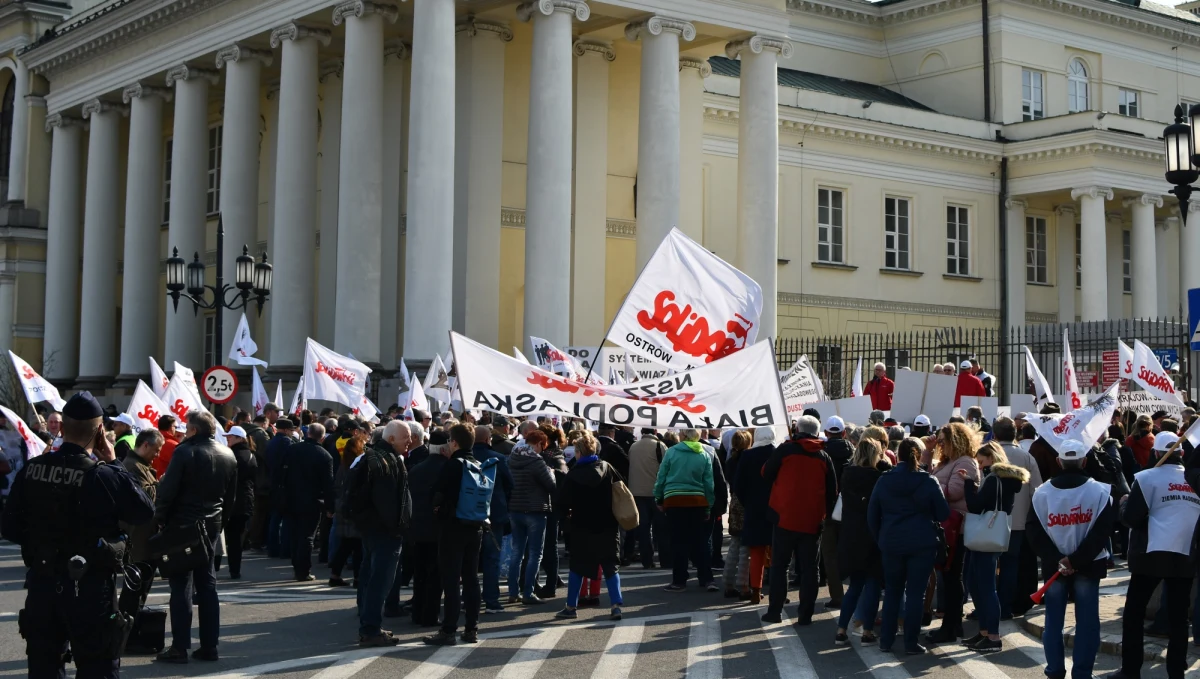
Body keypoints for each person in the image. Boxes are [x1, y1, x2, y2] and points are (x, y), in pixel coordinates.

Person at [1, 392, 155, 679]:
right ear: (100, 432)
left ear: (62, 427)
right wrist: (114, 463)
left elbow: (9, 527)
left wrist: (44, 540)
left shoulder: (33, 469)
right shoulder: (105, 475)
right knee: (98, 667)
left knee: (44, 667)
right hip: (91, 587)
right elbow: (144, 512)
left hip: (43, 583)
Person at [1108, 432, 1199, 679]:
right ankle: (1175, 671)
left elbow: (1131, 518)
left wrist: (1125, 502)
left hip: (1150, 555)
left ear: (1156, 453)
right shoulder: (1194, 479)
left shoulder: (1146, 478)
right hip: (1184, 556)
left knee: (1134, 616)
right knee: (1179, 619)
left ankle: (1130, 670)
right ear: (1181, 453)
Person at [154, 410, 237, 663]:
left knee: (181, 586)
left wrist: (160, 520)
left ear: (192, 430)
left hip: (184, 524)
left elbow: (168, 492)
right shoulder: (228, 453)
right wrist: (221, 523)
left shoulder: (185, 451)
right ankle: (209, 646)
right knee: (207, 584)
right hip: (212, 523)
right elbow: (230, 498)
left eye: (187, 427)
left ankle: (180, 647)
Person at [1027, 439, 1115, 679]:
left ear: (1059, 462)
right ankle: (1082, 673)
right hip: (1088, 565)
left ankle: (1055, 670)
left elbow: (1034, 533)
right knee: (1087, 622)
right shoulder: (1100, 490)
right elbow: (1102, 532)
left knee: (1053, 621)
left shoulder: (1041, 493)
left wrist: (1059, 560)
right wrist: (1075, 561)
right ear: (1085, 461)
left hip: (1055, 568)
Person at [870, 437, 950, 655]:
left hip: (892, 542)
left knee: (893, 593)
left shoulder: (885, 480)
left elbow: (872, 515)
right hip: (921, 543)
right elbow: (943, 513)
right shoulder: (927, 481)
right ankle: (911, 642)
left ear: (899, 455)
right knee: (916, 594)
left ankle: (886, 641)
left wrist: (882, 539)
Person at [761, 415, 837, 625]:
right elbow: (832, 490)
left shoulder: (786, 450)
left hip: (784, 515)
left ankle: (775, 611)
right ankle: (805, 615)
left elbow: (766, 473)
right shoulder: (823, 456)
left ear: (797, 429)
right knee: (809, 568)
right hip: (812, 520)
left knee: (780, 566)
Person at [960, 443, 1029, 652]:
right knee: (977, 583)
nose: (979, 466)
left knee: (985, 587)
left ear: (991, 457)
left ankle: (993, 636)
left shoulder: (994, 479)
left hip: (986, 538)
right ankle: (984, 633)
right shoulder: (1005, 479)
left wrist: (968, 484)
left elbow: (975, 505)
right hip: (991, 536)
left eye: (981, 461)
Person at [348, 422, 410, 647]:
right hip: (384, 531)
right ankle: (370, 629)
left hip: (371, 528)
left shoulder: (373, 457)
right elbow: (387, 502)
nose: (409, 442)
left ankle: (370, 625)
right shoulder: (386, 461)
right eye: (406, 437)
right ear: (391, 439)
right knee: (380, 581)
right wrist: (396, 528)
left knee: (371, 576)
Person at [554, 431, 625, 621]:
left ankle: (571, 606)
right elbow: (621, 490)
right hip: (608, 524)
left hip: (581, 526)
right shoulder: (607, 468)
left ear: (579, 452)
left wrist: (565, 516)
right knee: (610, 566)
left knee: (578, 567)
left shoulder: (574, 474)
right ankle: (616, 605)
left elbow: (562, 502)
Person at [425, 424, 484, 646]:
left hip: (453, 527)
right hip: (475, 526)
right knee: (471, 579)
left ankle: (448, 629)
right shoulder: (478, 465)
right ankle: (471, 628)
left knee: (451, 579)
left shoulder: (453, 465)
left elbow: (436, 493)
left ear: (455, 443)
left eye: (450, 441)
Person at [925, 422, 980, 645]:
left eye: (942, 441)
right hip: (946, 525)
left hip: (957, 528)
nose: (939, 445)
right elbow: (924, 475)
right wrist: (928, 453)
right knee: (948, 577)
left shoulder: (965, 461)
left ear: (954, 441)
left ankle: (950, 626)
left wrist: (933, 484)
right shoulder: (948, 462)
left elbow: (954, 491)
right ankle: (953, 624)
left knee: (951, 578)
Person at [834, 438, 890, 646]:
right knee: (873, 585)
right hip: (873, 535)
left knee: (855, 586)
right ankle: (867, 631)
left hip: (851, 535)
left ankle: (841, 629)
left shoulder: (847, 474)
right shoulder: (878, 476)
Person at [118, 428, 165, 653]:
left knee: (139, 590)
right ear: (144, 445)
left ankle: (129, 632)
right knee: (133, 591)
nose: (157, 455)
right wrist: (161, 485)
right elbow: (143, 497)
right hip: (138, 539)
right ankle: (125, 635)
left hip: (144, 537)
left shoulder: (141, 466)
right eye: (156, 450)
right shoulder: (131, 467)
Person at [992, 417, 1042, 620]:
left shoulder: (988, 455)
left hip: (991, 520)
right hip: (1018, 521)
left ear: (995, 435)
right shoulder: (1026, 457)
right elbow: (1037, 490)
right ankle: (1005, 606)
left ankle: (991, 606)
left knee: (990, 566)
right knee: (1011, 565)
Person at [655, 428, 716, 593]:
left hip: (674, 500)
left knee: (678, 541)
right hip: (697, 501)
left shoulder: (672, 452)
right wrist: (708, 505)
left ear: (682, 436)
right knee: (700, 541)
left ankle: (679, 580)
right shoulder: (703, 454)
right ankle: (707, 578)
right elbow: (708, 483)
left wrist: (658, 497)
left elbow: (661, 476)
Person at [507, 430, 555, 604]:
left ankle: (513, 592)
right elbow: (551, 486)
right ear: (538, 444)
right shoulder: (537, 461)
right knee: (535, 553)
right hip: (535, 510)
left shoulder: (511, 459)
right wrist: (552, 474)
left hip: (515, 509)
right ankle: (528, 593)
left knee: (516, 552)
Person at [283, 423, 334, 581]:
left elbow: (282, 473)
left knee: (295, 534)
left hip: (291, 497)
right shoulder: (324, 456)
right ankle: (303, 570)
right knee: (307, 536)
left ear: (307, 433)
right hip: (312, 501)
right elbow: (328, 484)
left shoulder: (292, 449)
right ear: (322, 437)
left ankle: (296, 566)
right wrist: (330, 506)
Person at [471, 425, 512, 614]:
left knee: (469, 560)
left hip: (468, 514)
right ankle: (491, 601)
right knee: (491, 559)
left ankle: (468, 599)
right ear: (488, 439)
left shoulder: (465, 458)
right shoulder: (498, 458)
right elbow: (510, 484)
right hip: (493, 514)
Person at [406, 430, 446, 627]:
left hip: (418, 527)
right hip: (439, 528)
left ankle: (417, 612)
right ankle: (430, 615)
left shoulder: (417, 469)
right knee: (435, 575)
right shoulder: (447, 469)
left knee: (420, 573)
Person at [736, 427, 776, 604]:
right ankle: (776, 590)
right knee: (777, 553)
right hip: (776, 508)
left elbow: (738, 485)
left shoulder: (747, 455)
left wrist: (748, 502)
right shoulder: (779, 453)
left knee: (756, 552)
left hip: (754, 508)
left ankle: (755, 590)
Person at [822, 415, 853, 610]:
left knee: (830, 553)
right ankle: (855, 592)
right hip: (851, 509)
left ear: (826, 433)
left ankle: (837, 596)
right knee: (851, 551)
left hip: (827, 509)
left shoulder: (821, 453)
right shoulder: (855, 452)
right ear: (843, 433)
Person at [628, 428, 668, 570]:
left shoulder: (633, 446)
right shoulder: (660, 446)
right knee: (661, 528)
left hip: (637, 492)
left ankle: (647, 560)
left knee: (643, 529)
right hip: (656, 493)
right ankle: (665, 560)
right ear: (655, 431)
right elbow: (667, 467)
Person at [327, 434, 363, 588]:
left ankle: (335, 575)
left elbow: (336, 486)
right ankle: (357, 578)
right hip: (353, 508)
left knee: (345, 545)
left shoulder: (343, 464)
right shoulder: (358, 464)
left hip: (342, 507)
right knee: (358, 546)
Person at [222, 426, 256, 580]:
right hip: (245, 500)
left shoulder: (231, 455)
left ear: (239, 438)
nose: (227, 438)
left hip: (231, 500)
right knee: (236, 538)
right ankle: (235, 569)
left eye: (231, 436)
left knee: (227, 536)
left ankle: (219, 567)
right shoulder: (251, 455)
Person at [722, 430, 754, 598]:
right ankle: (743, 585)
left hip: (734, 502)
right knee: (745, 549)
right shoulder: (747, 459)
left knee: (734, 545)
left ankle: (728, 583)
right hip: (746, 503)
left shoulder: (730, 460)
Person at [265, 418, 296, 558]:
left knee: (275, 517)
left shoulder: (271, 442)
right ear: (285, 430)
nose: (292, 433)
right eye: (291, 430)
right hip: (285, 484)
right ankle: (285, 549)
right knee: (287, 519)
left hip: (273, 482)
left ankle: (272, 548)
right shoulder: (288, 443)